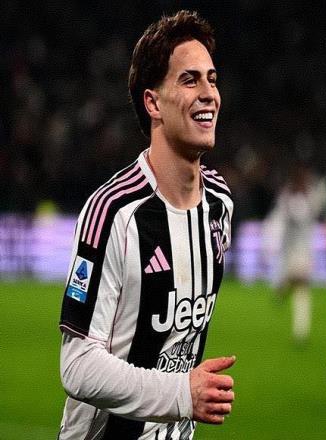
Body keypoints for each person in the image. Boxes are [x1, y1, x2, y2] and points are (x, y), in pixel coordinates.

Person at [58, 11, 235, 440]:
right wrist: (181, 394)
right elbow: (77, 365)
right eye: (190, 80)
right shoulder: (113, 211)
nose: (208, 93)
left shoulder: (220, 205)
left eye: (212, 79)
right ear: (153, 103)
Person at [265, 163, 324, 343]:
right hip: (288, 252)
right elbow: (278, 220)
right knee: (294, 282)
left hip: (304, 251)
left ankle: (301, 332)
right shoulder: (286, 197)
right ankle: (282, 288)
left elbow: (319, 209)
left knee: (302, 287)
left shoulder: (311, 197)